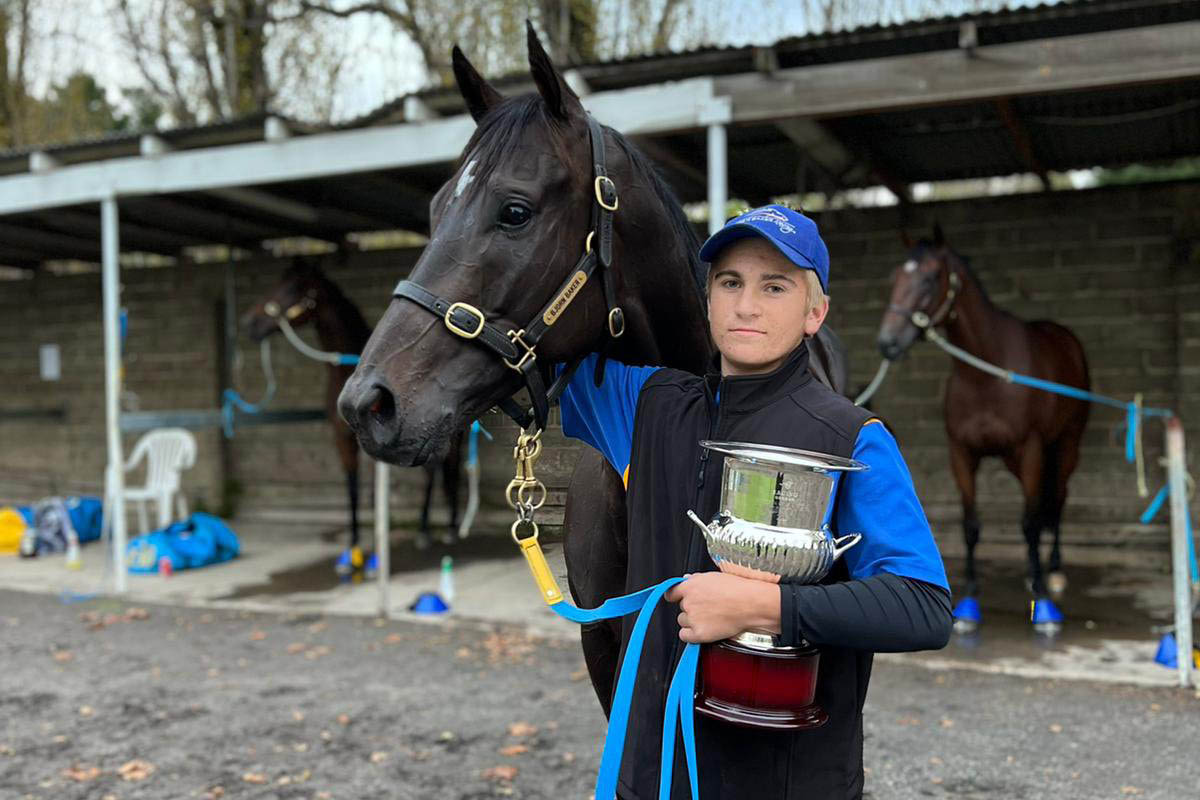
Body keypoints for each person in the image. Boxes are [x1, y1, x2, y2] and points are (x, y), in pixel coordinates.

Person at [558, 204, 952, 800]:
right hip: (651, 772)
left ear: (814, 312)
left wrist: (765, 606)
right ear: (707, 300)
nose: (746, 305)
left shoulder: (852, 436)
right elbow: (526, 336)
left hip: (785, 777)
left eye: (775, 286)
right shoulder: (644, 403)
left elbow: (923, 608)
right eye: (729, 283)